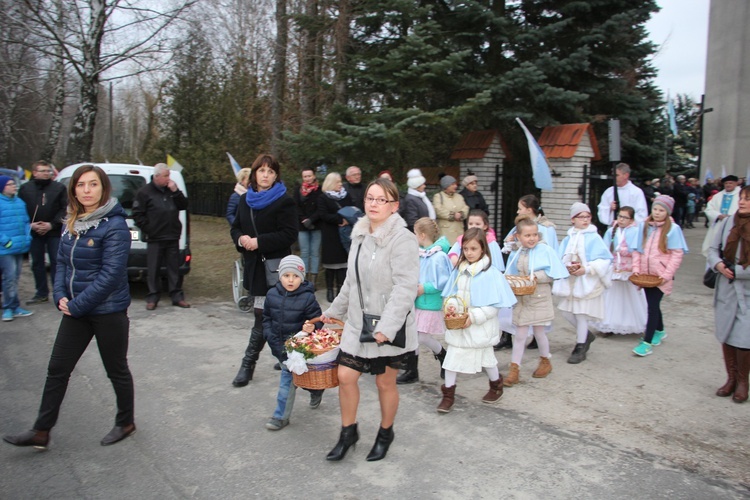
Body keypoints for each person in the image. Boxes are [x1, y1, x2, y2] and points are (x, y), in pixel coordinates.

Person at [3, 165, 135, 449]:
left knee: (117, 370)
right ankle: (41, 431)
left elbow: (111, 275)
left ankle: (126, 422)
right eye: (81, 185)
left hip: (108, 312)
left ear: (103, 189)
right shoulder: (71, 221)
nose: (87, 190)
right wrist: (60, 295)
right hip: (76, 310)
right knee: (57, 370)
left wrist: (77, 305)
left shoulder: (115, 225)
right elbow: (62, 263)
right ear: (73, 189)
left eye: (93, 185)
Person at [321, 178, 418, 462]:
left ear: (394, 206)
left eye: (381, 200)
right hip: (357, 322)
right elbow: (352, 283)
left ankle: (385, 432)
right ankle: (348, 432)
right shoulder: (359, 235)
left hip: (389, 327)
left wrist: (387, 328)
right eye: (370, 198)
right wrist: (332, 313)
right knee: (345, 376)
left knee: (384, 383)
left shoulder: (404, 240)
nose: (374, 204)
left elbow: (405, 288)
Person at [230, 154, 298, 387]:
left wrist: (259, 242)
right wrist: (241, 239)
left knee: (279, 316)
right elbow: (235, 227)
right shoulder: (245, 200)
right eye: (262, 171)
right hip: (255, 269)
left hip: (278, 269)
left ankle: (249, 364)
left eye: (270, 171)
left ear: (276, 175)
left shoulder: (284, 201)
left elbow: (289, 234)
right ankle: (278, 358)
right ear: (254, 174)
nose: (266, 175)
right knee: (262, 315)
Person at [437, 228, 517, 412]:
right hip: (460, 325)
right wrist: (451, 310)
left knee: (487, 359)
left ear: (483, 248)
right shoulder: (459, 271)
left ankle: (496, 385)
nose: (469, 253)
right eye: (465, 249)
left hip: (480, 326)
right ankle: (448, 396)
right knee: (451, 359)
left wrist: (473, 317)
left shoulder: (491, 274)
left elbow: (494, 305)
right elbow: (452, 295)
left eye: (473, 248)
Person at [503, 216, 568, 386]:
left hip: (539, 297)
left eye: (534, 235)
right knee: (520, 335)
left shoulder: (545, 250)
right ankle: (514, 368)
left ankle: (545, 360)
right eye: (527, 235)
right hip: (523, 298)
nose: (532, 238)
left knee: (540, 332)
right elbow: (513, 272)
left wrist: (535, 277)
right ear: (518, 237)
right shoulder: (518, 251)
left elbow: (553, 273)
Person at [262, 255, 324, 430]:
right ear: (279, 275)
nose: (290, 280)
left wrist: (312, 326)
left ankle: (280, 416)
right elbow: (266, 318)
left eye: (295, 276)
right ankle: (315, 390)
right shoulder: (272, 294)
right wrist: (269, 335)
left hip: (298, 351)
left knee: (288, 383)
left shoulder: (307, 298)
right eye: (286, 275)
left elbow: (317, 320)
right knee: (297, 379)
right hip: (278, 347)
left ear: (301, 277)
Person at [553, 203, 612, 364]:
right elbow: (561, 257)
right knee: (566, 312)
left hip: (586, 279)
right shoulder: (568, 238)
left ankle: (580, 346)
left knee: (580, 314)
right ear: (573, 219)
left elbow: (604, 259)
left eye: (588, 216)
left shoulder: (594, 237)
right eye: (581, 217)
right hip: (571, 280)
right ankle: (586, 335)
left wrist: (586, 269)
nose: (585, 220)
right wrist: (566, 267)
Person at [631, 195, 688, 357]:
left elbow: (676, 254)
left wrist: (666, 274)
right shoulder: (644, 226)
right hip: (645, 275)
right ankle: (660, 331)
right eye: (655, 209)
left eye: (661, 210)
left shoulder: (673, 229)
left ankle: (647, 342)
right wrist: (636, 269)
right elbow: (636, 250)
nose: (657, 212)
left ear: (668, 212)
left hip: (661, 276)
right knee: (653, 304)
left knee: (652, 307)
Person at [708, 184, 750, 403]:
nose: (742, 201)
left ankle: (743, 382)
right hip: (726, 287)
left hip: (747, 291)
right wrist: (719, 266)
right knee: (726, 333)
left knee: (744, 338)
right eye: (741, 198)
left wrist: (740, 271)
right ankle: (730, 379)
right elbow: (713, 250)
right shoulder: (727, 223)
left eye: (747, 198)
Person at [396, 217, 450, 385]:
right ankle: (413, 370)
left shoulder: (438, 256)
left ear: (423, 235)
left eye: (415, 233)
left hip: (429, 301)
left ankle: (444, 356)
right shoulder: (420, 253)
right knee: (413, 335)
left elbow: (443, 281)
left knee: (422, 337)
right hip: (417, 299)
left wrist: (424, 288)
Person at [133, 163, 190, 310]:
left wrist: (176, 191)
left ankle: (177, 296)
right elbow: (137, 214)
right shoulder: (145, 192)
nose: (168, 179)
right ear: (157, 176)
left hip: (172, 236)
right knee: (153, 269)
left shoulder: (171, 190)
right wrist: (149, 229)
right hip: (155, 237)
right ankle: (152, 297)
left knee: (174, 268)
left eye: (169, 175)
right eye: (165, 176)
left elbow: (183, 205)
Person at [591, 206, 647, 336]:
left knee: (630, 297)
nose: (621, 219)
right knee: (612, 296)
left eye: (625, 217)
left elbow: (637, 250)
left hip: (628, 268)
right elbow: (605, 249)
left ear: (631, 220)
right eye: (620, 216)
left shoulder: (635, 231)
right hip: (614, 267)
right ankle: (608, 324)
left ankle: (632, 322)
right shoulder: (611, 231)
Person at [18, 160, 68, 305]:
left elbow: (64, 209)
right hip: (33, 231)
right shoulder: (25, 188)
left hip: (53, 231)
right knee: (37, 263)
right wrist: (30, 225)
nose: (47, 173)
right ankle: (41, 292)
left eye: (48, 171)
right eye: (43, 171)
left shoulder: (59, 188)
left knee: (57, 262)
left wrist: (52, 224)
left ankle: (59, 293)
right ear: (35, 173)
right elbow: (20, 209)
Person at [0, 176, 33, 321]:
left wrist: (28, 237)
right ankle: (8, 307)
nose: (14, 186)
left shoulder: (20, 202)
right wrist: (5, 241)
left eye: (14, 184)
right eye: (10, 184)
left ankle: (15, 306)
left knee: (16, 277)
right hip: (5, 248)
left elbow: (26, 222)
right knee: (9, 278)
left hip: (20, 247)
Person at [317, 172, 353, 303]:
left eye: (340, 182)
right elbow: (323, 214)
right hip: (330, 234)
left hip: (345, 234)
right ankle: (330, 290)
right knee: (331, 265)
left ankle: (340, 290)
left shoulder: (346, 196)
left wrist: (348, 219)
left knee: (343, 265)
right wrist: (339, 219)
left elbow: (352, 209)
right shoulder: (323, 198)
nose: (340, 184)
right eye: (337, 182)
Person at [293, 167, 323, 285]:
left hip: (316, 225)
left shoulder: (319, 190)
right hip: (302, 225)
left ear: (314, 176)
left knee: (315, 252)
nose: (308, 178)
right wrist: (304, 219)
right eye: (305, 176)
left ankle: (313, 280)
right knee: (304, 252)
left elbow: (321, 207)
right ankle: (304, 279)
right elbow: (295, 207)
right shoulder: (298, 190)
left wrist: (311, 219)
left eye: (309, 176)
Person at [702, 175, 741, 255]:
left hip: (735, 226)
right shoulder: (717, 196)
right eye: (726, 183)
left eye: (731, 183)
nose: (728, 185)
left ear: (736, 183)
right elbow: (709, 209)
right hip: (719, 224)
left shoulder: (742, 195)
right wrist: (718, 215)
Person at [432, 175, 469, 245]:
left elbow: (466, 208)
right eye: (453, 184)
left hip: (459, 232)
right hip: (446, 232)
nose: (455, 186)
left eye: (455, 184)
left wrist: (461, 214)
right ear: (446, 186)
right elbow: (438, 210)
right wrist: (453, 215)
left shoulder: (459, 197)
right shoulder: (438, 196)